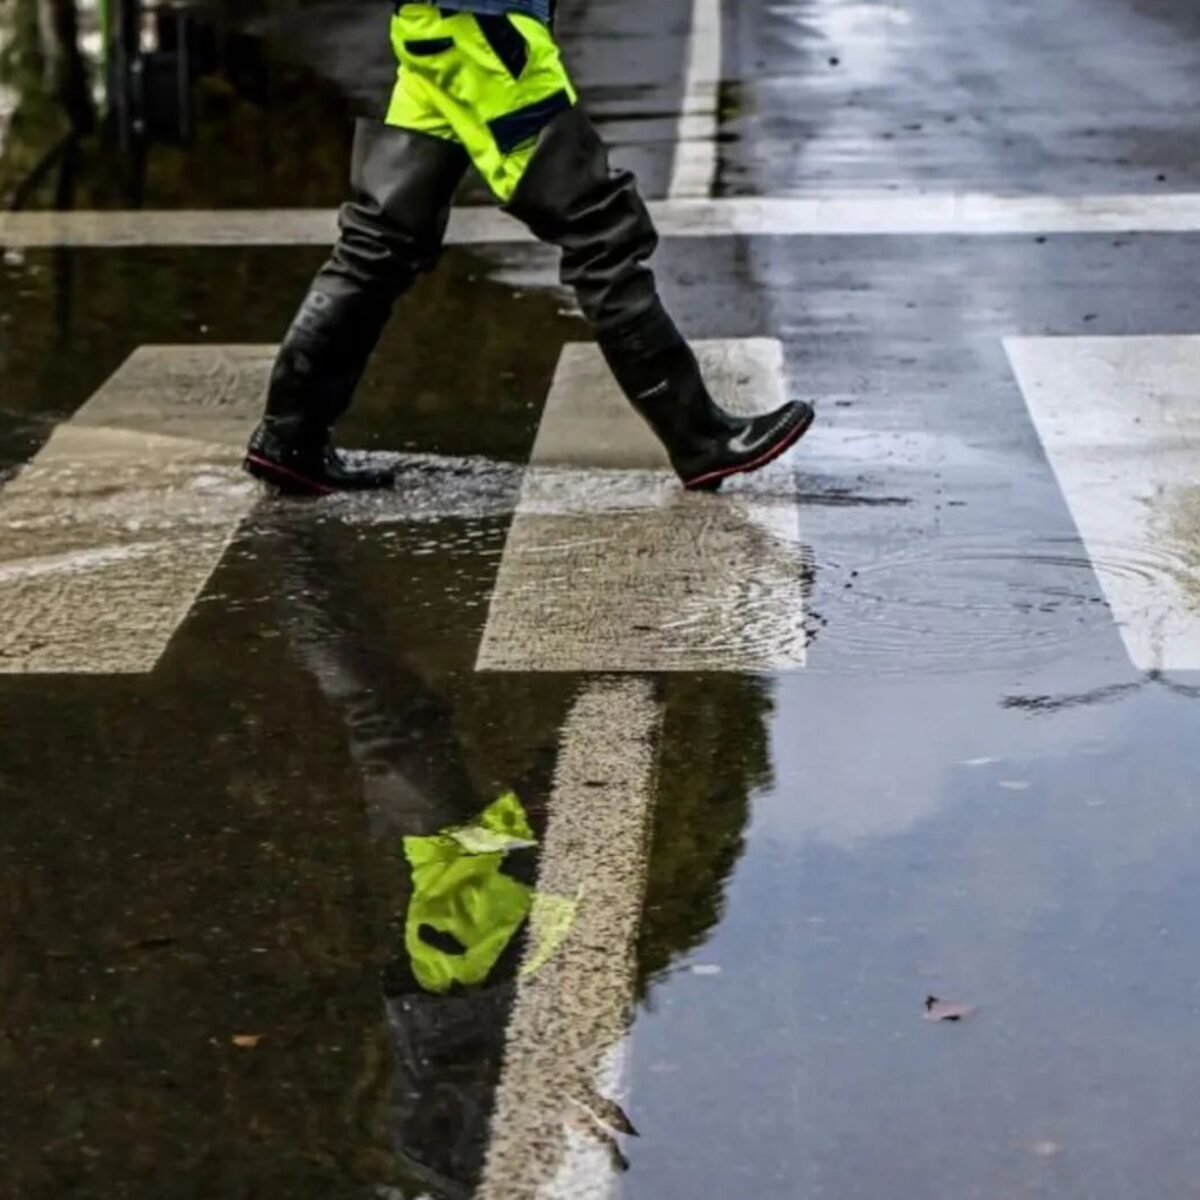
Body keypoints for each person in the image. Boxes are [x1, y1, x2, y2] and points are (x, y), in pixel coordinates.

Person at [243, 1, 815, 496]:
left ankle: (290, 437)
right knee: (600, 227)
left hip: (439, 24)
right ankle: (701, 438)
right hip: (485, 29)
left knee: (381, 238)